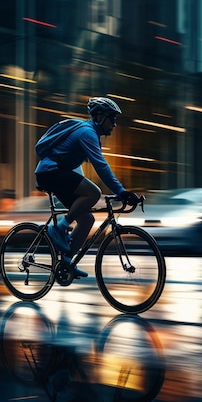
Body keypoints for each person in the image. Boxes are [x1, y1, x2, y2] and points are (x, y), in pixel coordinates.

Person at [35, 97, 140, 278]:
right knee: (94, 193)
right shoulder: (87, 133)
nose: (114, 124)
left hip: (57, 173)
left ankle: (66, 263)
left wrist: (85, 193)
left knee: (87, 220)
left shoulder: (89, 134)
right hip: (49, 172)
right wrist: (121, 191)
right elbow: (101, 166)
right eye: (112, 119)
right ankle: (59, 228)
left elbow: (76, 168)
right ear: (99, 117)